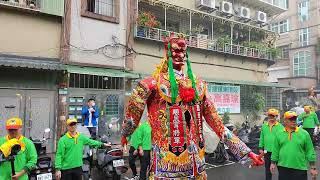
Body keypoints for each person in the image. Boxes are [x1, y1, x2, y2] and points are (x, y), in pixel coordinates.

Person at [121, 33, 264, 179]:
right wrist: (125, 135)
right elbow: (132, 114)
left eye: (183, 51)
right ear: (167, 52)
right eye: (176, 50)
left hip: (196, 164)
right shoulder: (152, 84)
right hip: (167, 165)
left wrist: (247, 152)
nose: (181, 55)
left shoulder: (198, 85)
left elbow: (217, 124)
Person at [270, 111, 318, 180]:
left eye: (294, 119)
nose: (293, 121)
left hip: (300, 168)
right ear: (285, 121)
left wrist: (313, 167)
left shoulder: (304, 134)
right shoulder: (279, 134)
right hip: (283, 167)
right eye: (290, 119)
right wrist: (272, 163)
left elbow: (310, 151)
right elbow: (275, 150)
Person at [259, 108, 284, 180]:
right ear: (268, 116)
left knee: (281, 170)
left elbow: (283, 139)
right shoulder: (264, 126)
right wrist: (261, 147)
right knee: (267, 170)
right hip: (267, 151)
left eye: (274, 116)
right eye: (270, 115)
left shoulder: (280, 127)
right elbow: (262, 137)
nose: (272, 117)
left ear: (276, 116)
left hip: (278, 152)